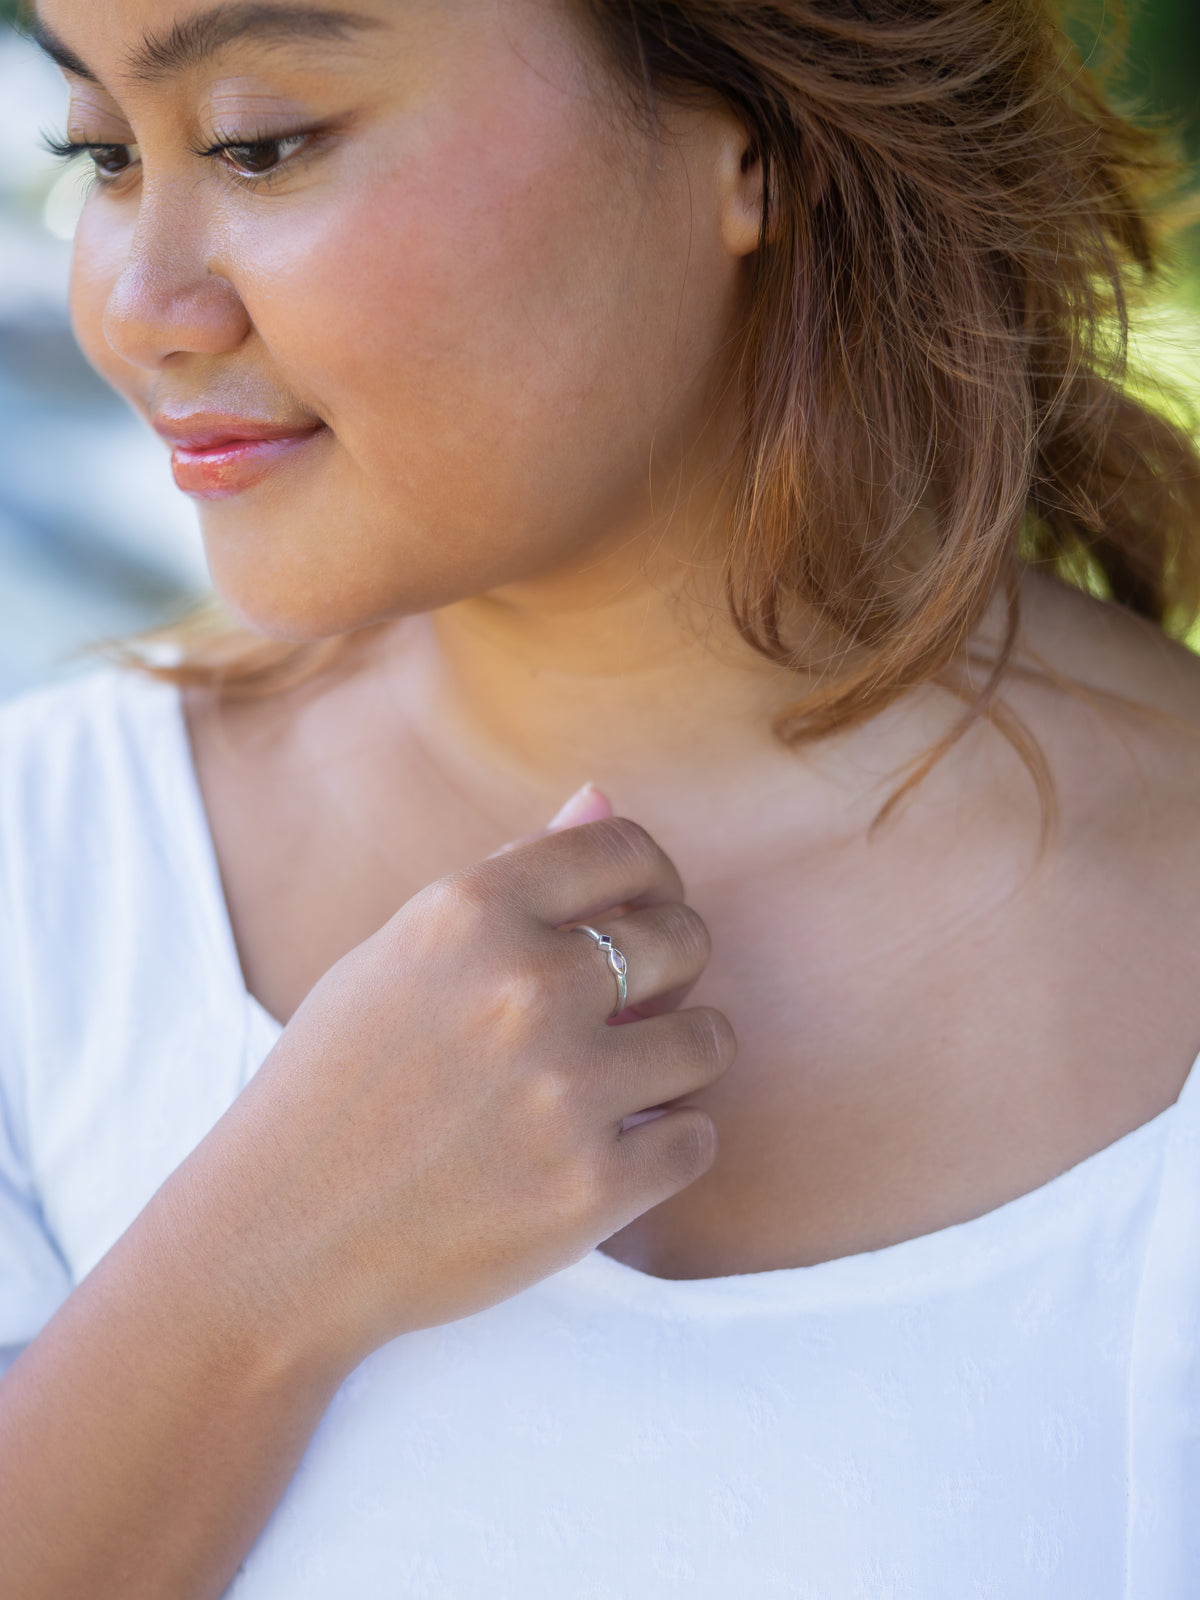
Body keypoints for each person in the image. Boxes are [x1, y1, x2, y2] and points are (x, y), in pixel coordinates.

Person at [1, 0, 1199, 1594]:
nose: (137, 305)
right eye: (98, 154)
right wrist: (256, 1271)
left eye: (258, 144)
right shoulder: (43, 871)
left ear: (756, 138)